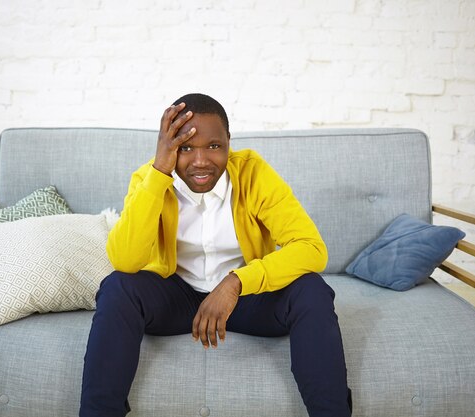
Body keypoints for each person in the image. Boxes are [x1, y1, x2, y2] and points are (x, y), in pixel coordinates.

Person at [80, 93, 352, 417]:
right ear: (168, 148)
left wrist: (236, 282)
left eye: (213, 146)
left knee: (312, 290)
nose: (200, 161)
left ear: (228, 144)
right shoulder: (148, 178)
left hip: (246, 299)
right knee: (118, 287)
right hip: (175, 298)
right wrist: (160, 172)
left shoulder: (252, 173)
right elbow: (125, 260)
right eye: (185, 147)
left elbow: (311, 247)